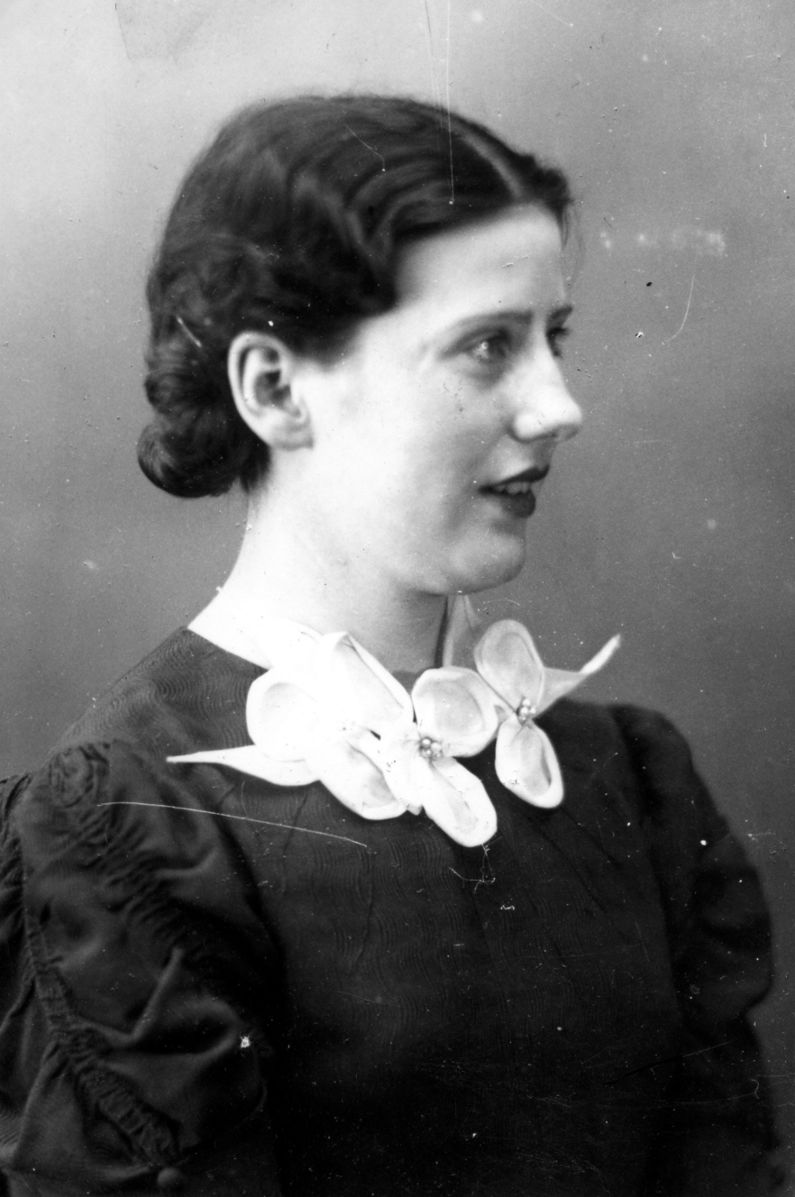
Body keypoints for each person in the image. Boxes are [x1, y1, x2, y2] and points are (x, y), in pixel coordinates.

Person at [0, 94, 784, 1197]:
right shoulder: (132, 829)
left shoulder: (626, 780)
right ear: (276, 389)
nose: (559, 406)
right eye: (486, 346)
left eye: (552, 339)